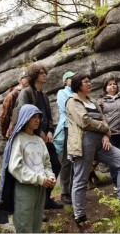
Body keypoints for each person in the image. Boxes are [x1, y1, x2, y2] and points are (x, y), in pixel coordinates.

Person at [66, 73, 120, 232]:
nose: (89, 83)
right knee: (81, 179)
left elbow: (105, 121)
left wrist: (105, 134)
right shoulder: (72, 101)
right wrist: (104, 128)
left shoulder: (93, 101)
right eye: (86, 81)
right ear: (78, 85)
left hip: (101, 142)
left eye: (89, 81)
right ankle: (80, 218)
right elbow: (84, 121)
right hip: (83, 143)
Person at [0, 104, 56, 233]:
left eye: (38, 117)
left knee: (36, 224)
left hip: (41, 187)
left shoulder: (39, 141)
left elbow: (46, 164)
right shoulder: (18, 139)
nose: (37, 120)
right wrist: (39, 179)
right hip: (25, 189)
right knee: (24, 225)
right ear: (25, 118)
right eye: (33, 117)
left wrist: (50, 176)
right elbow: (15, 167)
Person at [12, 63, 63, 209]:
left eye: (45, 72)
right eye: (41, 73)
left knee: (55, 165)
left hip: (45, 138)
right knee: (34, 169)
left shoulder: (44, 96)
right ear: (35, 75)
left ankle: (46, 199)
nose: (44, 75)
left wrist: (50, 131)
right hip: (30, 137)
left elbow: (49, 117)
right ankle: (35, 205)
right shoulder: (26, 93)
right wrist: (38, 132)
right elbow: (23, 113)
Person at [54, 71, 76, 204]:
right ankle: (64, 192)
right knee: (67, 161)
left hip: (78, 128)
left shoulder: (77, 92)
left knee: (76, 159)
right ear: (65, 81)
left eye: (74, 78)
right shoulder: (62, 93)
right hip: (67, 127)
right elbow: (66, 108)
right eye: (70, 78)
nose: (73, 80)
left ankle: (75, 190)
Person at [0, 71, 29, 138]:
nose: (29, 80)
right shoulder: (13, 94)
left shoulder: (31, 93)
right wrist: (5, 130)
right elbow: (5, 114)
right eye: (26, 78)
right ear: (20, 80)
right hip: (15, 129)